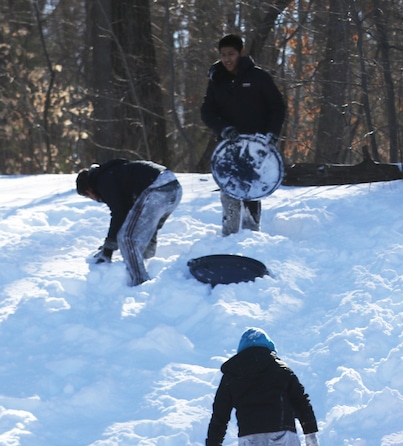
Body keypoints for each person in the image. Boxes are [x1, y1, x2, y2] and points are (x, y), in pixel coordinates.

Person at [205, 328, 320, 446]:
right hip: (282, 434)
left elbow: (220, 413)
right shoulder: (282, 370)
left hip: (249, 439)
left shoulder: (232, 375)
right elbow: (302, 401)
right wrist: (310, 431)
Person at [200, 33, 286, 236]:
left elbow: (277, 107)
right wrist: (223, 129)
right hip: (228, 149)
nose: (227, 59)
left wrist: (272, 134)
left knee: (252, 192)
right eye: (223, 55)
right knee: (229, 193)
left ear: (242, 53)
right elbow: (207, 112)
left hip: (257, 149)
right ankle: (228, 238)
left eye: (231, 54)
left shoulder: (259, 78)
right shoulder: (217, 79)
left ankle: (251, 238)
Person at [76, 159, 182, 287]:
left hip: (157, 190)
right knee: (146, 231)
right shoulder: (113, 172)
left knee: (127, 238)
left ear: (89, 190)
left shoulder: (103, 181)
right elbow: (127, 211)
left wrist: (108, 249)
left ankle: (140, 283)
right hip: (174, 187)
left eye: (88, 196)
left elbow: (119, 213)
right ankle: (149, 260)